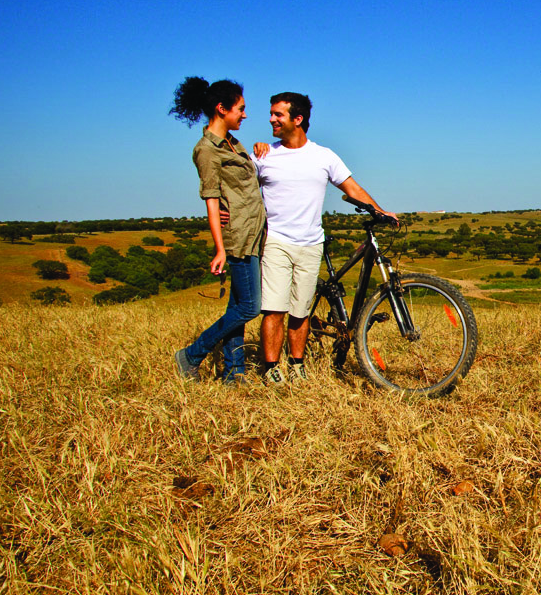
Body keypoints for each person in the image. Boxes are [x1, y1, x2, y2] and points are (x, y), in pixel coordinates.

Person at [252, 92, 396, 383]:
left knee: (301, 310)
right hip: (276, 241)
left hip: (311, 243)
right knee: (274, 309)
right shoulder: (264, 155)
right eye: (271, 114)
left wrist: (380, 211)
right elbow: (241, 190)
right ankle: (270, 369)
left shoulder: (323, 156)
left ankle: (297, 366)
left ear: (298, 119)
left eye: (278, 114)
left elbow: (352, 188)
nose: (271, 119)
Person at [169, 77, 266, 385]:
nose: (245, 115)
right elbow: (211, 200)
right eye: (241, 109)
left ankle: (234, 372)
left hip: (253, 233)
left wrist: (260, 150)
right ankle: (192, 355)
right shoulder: (207, 150)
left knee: (237, 305)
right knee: (250, 307)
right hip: (237, 236)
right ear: (222, 109)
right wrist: (220, 248)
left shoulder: (232, 143)